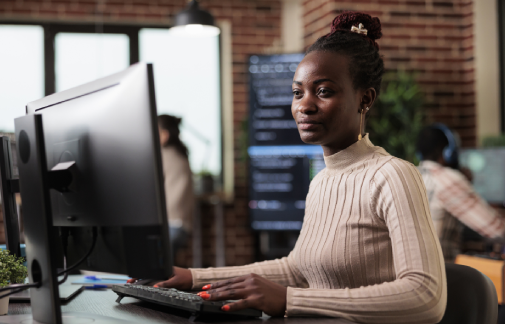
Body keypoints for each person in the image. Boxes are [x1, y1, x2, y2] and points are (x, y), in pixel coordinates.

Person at [132, 12, 446, 323]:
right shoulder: (321, 181)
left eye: (323, 91)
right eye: (298, 92)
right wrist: (191, 277)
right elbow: (295, 269)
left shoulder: (393, 175)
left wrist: (289, 299)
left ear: (365, 99)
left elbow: (425, 296)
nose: (304, 105)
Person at [417, 124, 505, 262]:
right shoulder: (448, 179)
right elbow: (497, 230)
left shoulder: (412, 176)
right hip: (440, 274)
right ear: (448, 152)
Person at [158, 115, 195, 257]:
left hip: (169, 225)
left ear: (164, 135)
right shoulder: (181, 155)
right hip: (181, 225)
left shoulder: (163, 156)